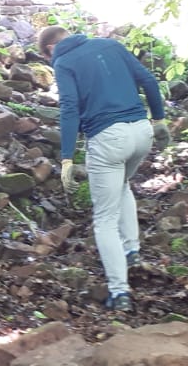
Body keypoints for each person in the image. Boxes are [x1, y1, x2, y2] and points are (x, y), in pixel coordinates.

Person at [38, 25, 170, 311]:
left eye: (47, 58)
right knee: (122, 185)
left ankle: (119, 292)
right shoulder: (110, 45)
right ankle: (132, 250)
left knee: (105, 219)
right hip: (141, 132)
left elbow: (70, 108)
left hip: (109, 139)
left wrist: (67, 157)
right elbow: (148, 80)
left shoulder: (63, 62)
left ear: (50, 49)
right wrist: (159, 120)